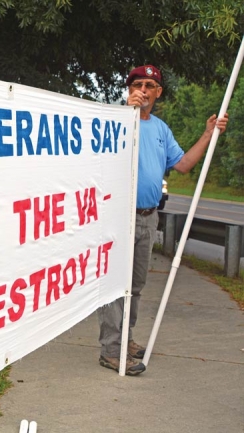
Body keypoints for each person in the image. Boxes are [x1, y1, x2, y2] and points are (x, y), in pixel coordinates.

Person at [97, 65, 229, 375]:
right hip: (119, 215)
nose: (143, 89)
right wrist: (124, 117)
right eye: (138, 84)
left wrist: (209, 134)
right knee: (116, 285)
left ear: (158, 93)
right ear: (129, 90)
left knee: (136, 285)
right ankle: (111, 350)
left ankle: (126, 339)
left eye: (150, 85)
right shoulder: (114, 121)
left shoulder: (160, 129)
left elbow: (182, 165)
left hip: (149, 215)